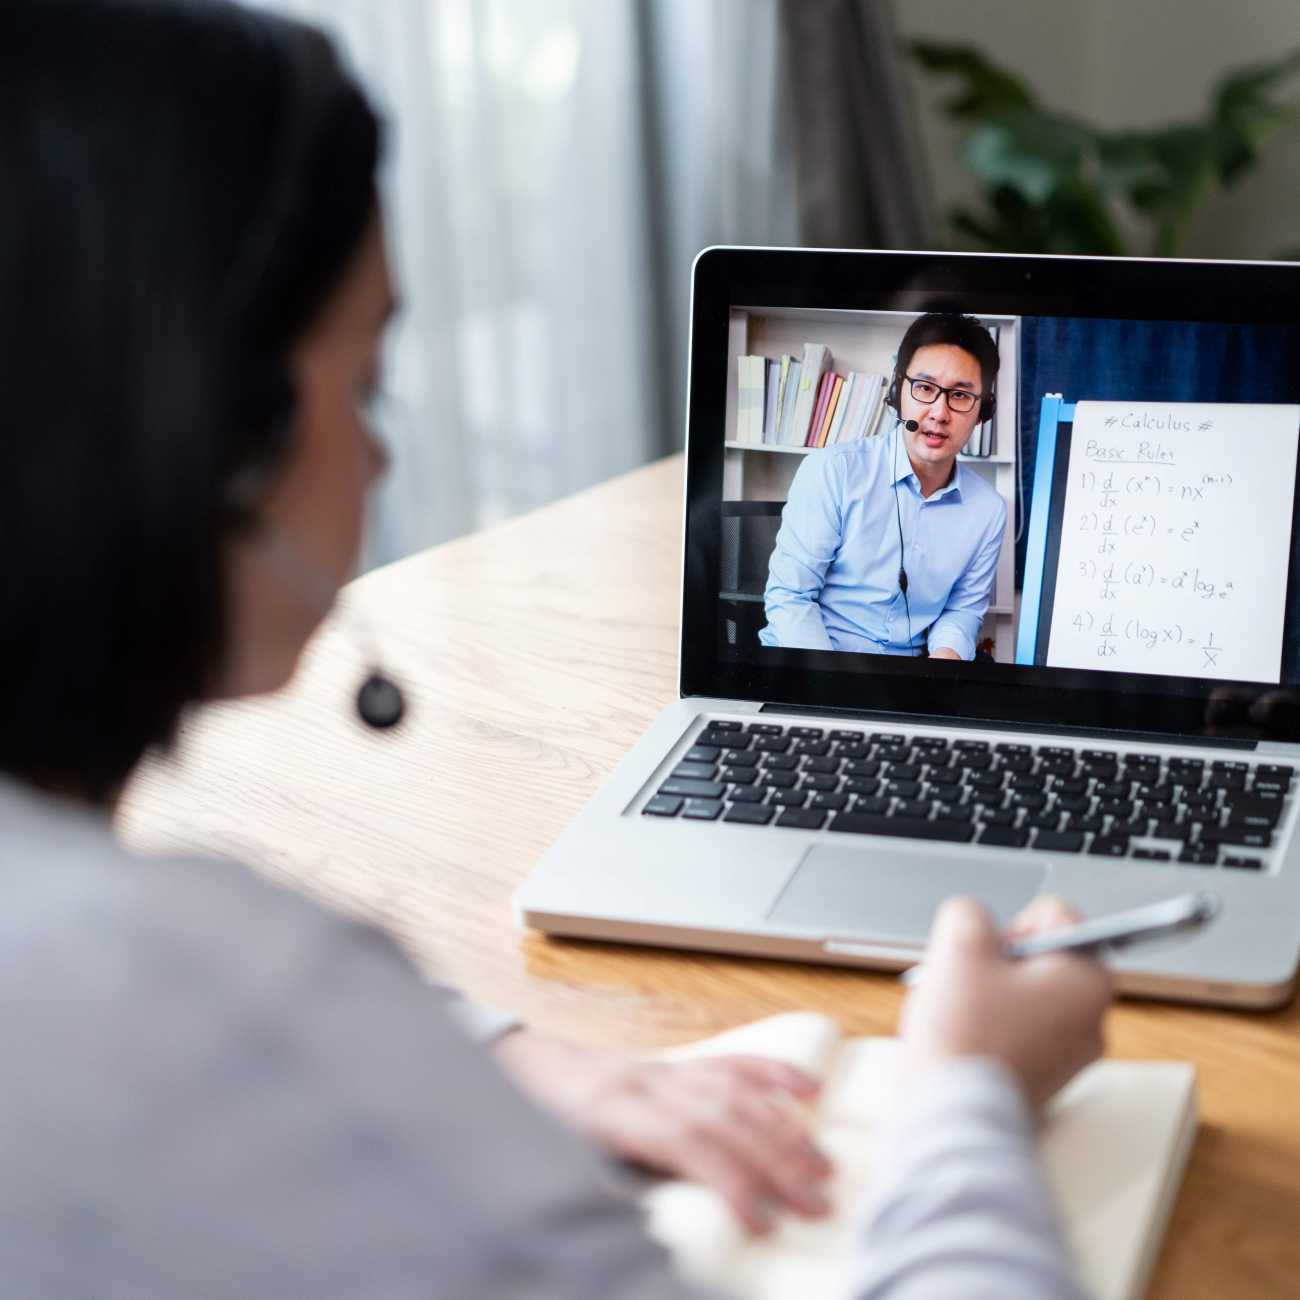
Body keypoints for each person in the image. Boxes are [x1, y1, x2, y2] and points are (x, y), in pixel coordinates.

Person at [0, 3, 1110, 1296]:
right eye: (365, 387)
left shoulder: (987, 508)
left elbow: (947, 637)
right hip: (819, 696)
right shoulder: (226, 1012)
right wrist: (967, 1088)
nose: (380, 455)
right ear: (227, 439)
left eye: (962, 400)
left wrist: (513, 1053)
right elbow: (795, 606)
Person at [760, 313, 1008, 660]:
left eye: (961, 395)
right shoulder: (834, 471)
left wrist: (940, 675)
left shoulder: (989, 510)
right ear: (897, 392)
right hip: (810, 667)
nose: (939, 412)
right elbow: (791, 597)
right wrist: (835, 691)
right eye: (924, 388)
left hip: (908, 682)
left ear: (984, 410)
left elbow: (962, 611)